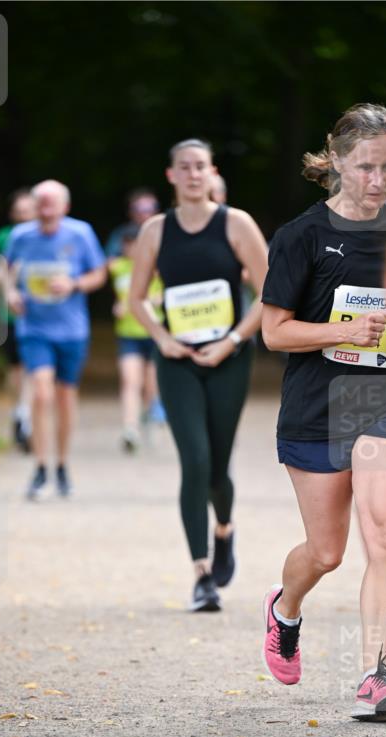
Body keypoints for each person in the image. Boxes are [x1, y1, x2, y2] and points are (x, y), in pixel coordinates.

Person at [260, 104, 386, 723]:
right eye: (365, 167)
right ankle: (285, 609)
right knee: (327, 552)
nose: (378, 179)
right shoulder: (301, 235)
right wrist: (341, 328)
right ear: (337, 162)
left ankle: (375, 676)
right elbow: (274, 332)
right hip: (318, 406)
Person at [130, 138, 269, 611]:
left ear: (213, 173)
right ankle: (201, 573)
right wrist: (161, 338)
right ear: (171, 175)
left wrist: (232, 340)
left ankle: (224, 530)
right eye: (184, 167)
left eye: (201, 167)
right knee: (194, 459)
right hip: (178, 361)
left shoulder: (236, 224)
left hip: (229, 358)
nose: (193, 174)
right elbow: (136, 298)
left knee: (217, 464)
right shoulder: (154, 231)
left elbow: (272, 294)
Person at [5, 179, 107, 500]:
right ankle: (39, 467)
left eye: (52, 202)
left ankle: (61, 464)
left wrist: (74, 284)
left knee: (64, 396)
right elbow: (6, 270)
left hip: (72, 330)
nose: (46, 208)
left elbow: (99, 274)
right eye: (41, 202)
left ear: (65, 206)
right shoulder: (20, 236)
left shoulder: (80, 233)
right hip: (34, 329)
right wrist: (10, 294)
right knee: (40, 392)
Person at [0, 188, 37, 450]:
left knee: (35, 368)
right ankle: (20, 411)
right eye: (20, 213)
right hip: (10, 315)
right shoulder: (3, 237)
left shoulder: (46, 234)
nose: (25, 218)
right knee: (16, 370)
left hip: (39, 315)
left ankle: (27, 418)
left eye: (29, 212)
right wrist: (6, 273)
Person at [108, 223, 164, 452]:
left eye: (136, 244)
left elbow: (168, 290)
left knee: (151, 385)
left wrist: (158, 299)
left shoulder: (158, 268)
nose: (131, 249)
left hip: (154, 332)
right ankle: (129, 429)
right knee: (130, 381)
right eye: (128, 244)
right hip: (128, 333)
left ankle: (149, 413)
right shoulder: (117, 267)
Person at [105, 188, 160, 259]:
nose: (145, 213)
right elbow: (109, 261)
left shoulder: (166, 231)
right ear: (130, 212)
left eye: (150, 208)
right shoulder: (121, 234)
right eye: (140, 208)